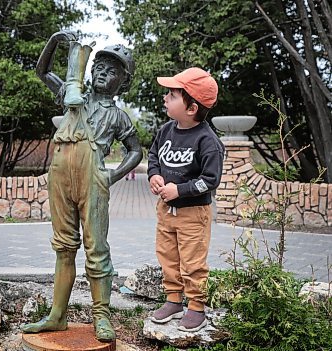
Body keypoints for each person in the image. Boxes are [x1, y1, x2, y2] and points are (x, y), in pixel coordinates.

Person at [21, 31, 142, 342]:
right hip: (60, 173)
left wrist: (112, 176)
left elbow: (135, 150)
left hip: (93, 178)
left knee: (97, 249)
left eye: (112, 70)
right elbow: (42, 71)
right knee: (63, 247)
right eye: (99, 66)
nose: (103, 72)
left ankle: (101, 315)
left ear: (123, 83)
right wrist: (53, 42)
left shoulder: (118, 116)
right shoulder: (72, 94)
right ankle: (56, 315)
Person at [147, 67, 224, 332]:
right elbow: (154, 155)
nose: (165, 98)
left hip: (193, 214)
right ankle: (173, 301)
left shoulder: (207, 141)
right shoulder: (166, 130)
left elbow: (210, 180)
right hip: (165, 211)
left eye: (172, 94)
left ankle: (196, 308)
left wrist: (180, 190)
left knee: (192, 262)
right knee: (167, 256)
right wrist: (154, 176)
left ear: (191, 107)